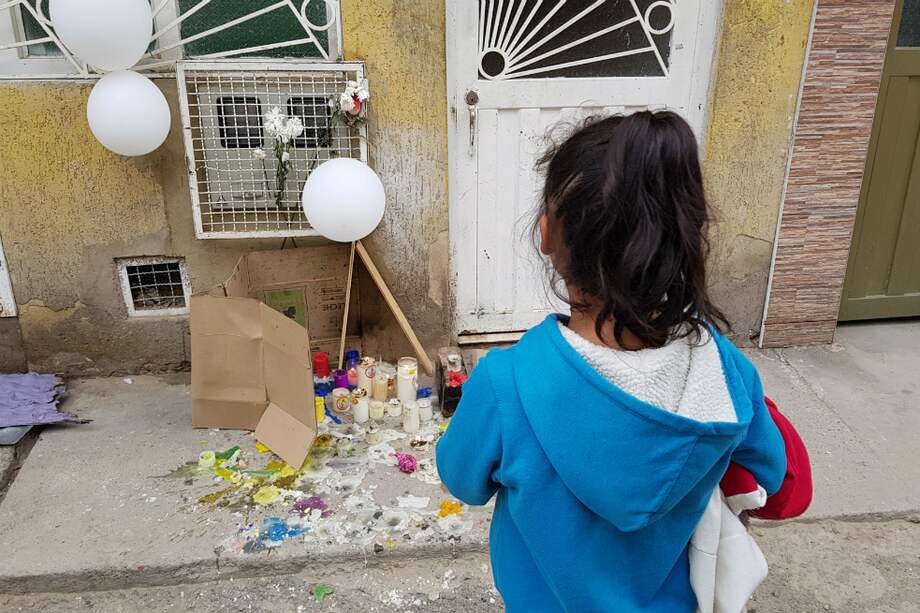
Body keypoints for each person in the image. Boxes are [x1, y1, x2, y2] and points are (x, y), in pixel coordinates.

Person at [436, 111, 788, 612]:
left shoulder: (505, 383)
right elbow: (773, 473)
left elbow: (462, 480)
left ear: (547, 235)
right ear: (681, 241)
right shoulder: (725, 372)